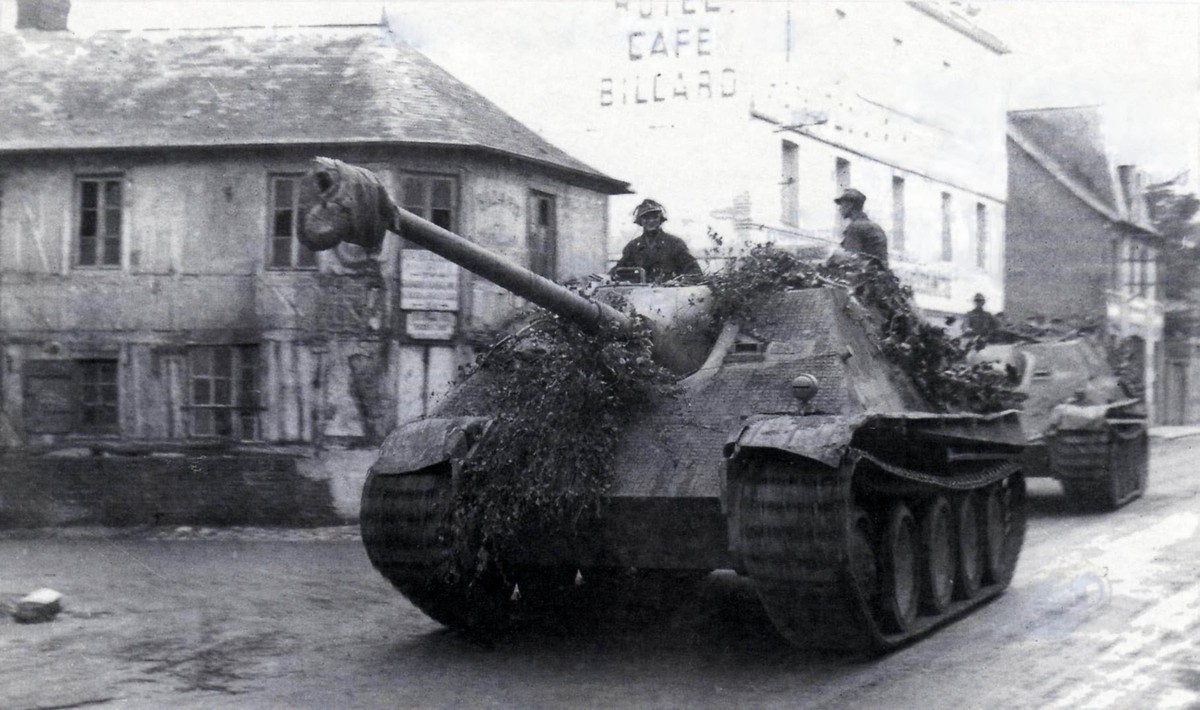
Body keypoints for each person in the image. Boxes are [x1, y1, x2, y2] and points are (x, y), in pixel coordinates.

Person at [612, 199, 701, 283]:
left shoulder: (674, 243)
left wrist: (680, 282)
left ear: (660, 219)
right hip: (639, 295)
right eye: (646, 218)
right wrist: (612, 276)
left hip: (669, 295)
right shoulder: (633, 247)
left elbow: (693, 269)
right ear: (640, 221)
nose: (651, 221)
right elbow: (619, 270)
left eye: (654, 217)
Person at [834, 188, 889, 267]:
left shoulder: (855, 227)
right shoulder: (874, 225)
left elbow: (851, 258)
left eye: (842, 204)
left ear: (850, 205)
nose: (839, 208)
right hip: (881, 274)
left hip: (866, 275)